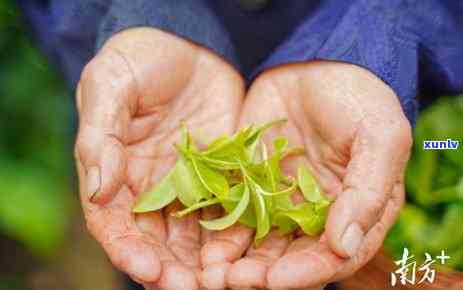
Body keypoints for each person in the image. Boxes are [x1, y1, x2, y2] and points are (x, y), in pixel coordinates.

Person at [18, 1, 463, 289]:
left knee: (319, 258)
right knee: (152, 251)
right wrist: (139, 18)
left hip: (332, 122)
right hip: (148, 127)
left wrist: (377, 42)